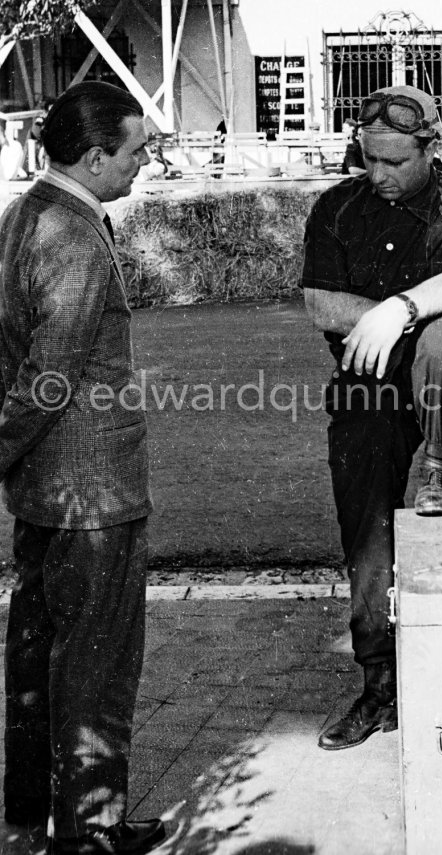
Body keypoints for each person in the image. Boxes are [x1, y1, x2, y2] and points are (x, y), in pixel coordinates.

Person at [300, 85, 442, 751]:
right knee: (365, 533)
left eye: (394, 160)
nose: (380, 174)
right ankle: (380, 684)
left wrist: (399, 312)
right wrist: (391, 313)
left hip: (441, 377)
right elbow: (322, 303)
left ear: (431, 146)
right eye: (369, 159)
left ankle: (439, 467)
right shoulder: (337, 207)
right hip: (366, 389)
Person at [0, 82, 166, 854]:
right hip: (90, 493)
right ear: (97, 157)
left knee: (36, 652)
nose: (145, 162)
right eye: (137, 150)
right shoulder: (71, 234)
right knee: (93, 667)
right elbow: (50, 375)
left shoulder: (28, 212)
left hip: (44, 489)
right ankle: (90, 835)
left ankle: (34, 816)